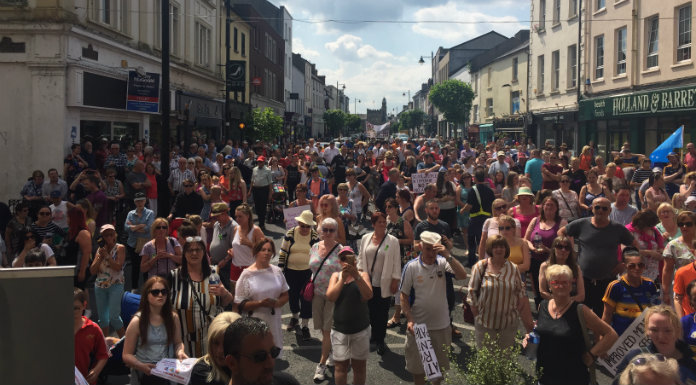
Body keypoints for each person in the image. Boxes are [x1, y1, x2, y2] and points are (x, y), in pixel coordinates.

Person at [531, 264, 618, 385]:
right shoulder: (543, 306)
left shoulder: (580, 310)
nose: (560, 285)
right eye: (556, 282)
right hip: (544, 375)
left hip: (573, 376)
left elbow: (611, 334)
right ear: (550, 285)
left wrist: (592, 354)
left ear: (571, 285)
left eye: (565, 282)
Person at [400, 231, 467, 385]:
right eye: (428, 249)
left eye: (434, 250)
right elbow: (403, 295)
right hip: (420, 328)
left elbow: (462, 275)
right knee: (419, 373)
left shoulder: (443, 263)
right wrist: (410, 319)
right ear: (421, 247)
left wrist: (448, 255)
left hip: (441, 327)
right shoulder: (411, 267)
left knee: (437, 375)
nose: (431, 253)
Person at [559, 197, 638, 317]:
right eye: (597, 207)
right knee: (580, 314)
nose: (600, 210)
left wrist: (624, 264)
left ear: (610, 211)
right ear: (592, 208)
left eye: (604, 208)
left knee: (603, 316)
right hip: (583, 279)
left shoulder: (617, 228)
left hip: (607, 280)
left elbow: (634, 246)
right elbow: (561, 232)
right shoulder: (582, 223)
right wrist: (570, 251)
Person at [169, 238, 234, 357]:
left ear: (204, 252)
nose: (194, 253)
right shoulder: (174, 277)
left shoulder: (215, 272)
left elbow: (227, 302)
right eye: (190, 250)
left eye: (198, 249)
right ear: (184, 253)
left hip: (212, 343)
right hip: (184, 347)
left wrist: (224, 293)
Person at [468, 235, 533, 349]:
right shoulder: (480, 267)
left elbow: (521, 293)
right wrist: (477, 316)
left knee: (504, 359)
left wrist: (515, 315)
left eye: (502, 246)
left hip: (507, 325)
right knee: (485, 361)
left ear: (506, 249)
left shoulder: (513, 268)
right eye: (495, 247)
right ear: (490, 249)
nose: (499, 249)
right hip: (484, 323)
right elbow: (472, 293)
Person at [123, 277, 188, 385]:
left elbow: (178, 342)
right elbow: (126, 355)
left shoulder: (173, 317)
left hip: (166, 373)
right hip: (144, 375)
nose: (160, 295)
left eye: (164, 292)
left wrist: (180, 352)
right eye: (155, 292)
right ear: (146, 295)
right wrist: (141, 366)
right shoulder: (137, 321)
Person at [613, 305, 696, 385]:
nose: (661, 336)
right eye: (654, 330)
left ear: (678, 330)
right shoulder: (634, 358)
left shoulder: (691, 364)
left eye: (667, 330)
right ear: (647, 330)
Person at [326, 246, 373, 385]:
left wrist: (357, 276)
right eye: (343, 258)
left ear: (355, 260)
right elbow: (330, 297)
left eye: (350, 258)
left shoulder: (363, 275)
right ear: (339, 261)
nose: (346, 261)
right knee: (340, 367)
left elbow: (368, 295)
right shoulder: (336, 276)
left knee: (359, 368)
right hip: (340, 330)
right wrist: (343, 279)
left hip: (360, 329)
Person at [356, 212, 401, 356]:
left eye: (384, 222)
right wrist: (360, 276)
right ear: (373, 224)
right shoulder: (365, 238)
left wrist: (395, 279)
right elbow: (361, 259)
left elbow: (396, 262)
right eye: (379, 222)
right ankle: (373, 335)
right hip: (368, 282)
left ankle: (381, 340)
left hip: (384, 282)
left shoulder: (392, 241)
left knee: (382, 313)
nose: (382, 224)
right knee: (370, 311)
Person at [235, 238, 290, 351]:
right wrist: (260, 303)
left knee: (273, 355)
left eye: (269, 250)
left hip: (274, 322)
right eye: (263, 249)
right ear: (256, 252)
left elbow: (285, 294)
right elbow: (239, 303)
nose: (266, 253)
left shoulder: (277, 271)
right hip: (254, 323)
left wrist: (278, 302)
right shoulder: (247, 274)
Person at [310, 217, 344, 383]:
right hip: (317, 293)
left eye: (332, 230)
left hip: (333, 295)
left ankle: (321, 365)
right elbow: (312, 267)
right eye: (325, 230)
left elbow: (348, 270)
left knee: (326, 331)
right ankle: (330, 352)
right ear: (320, 231)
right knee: (321, 328)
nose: (328, 233)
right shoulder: (315, 247)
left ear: (336, 232)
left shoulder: (342, 250)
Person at [278, 210, 319, 340]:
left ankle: (305, 325)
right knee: (292, 295)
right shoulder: (290, 233)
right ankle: (295, 317)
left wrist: (316, 273)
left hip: (307, 272)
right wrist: (280, 271)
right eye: (303, 225)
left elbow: (317, 255)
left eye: (308, 226)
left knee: (306, 297)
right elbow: (283, 252)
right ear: (299, 223)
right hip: (291, 271)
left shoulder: (314, 236)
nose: (305, 228)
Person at [222, 317, 300, 385]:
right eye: (260, 357)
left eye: (274, 352)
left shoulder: (287, 382)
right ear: (232, 363)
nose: (270, 364)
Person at [90, 224, 127, 338]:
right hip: (100, 285)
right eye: (106, 235)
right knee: (103, 319)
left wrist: (107, 256)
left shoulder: (120, 248)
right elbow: (92, 270)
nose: (109, 237)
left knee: (114, 316)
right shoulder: (99, 251)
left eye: (111, 234)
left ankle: (125, 343)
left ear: (115, 235)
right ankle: (104, 345)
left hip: (115, 284)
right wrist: (101, 256)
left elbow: (117, 267)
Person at [189, 312, 242, 385]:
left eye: (226, 344)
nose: (220, 351)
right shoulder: (201, 372)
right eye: (216, 343)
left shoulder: (249, 366)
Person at [74, 288, 108, 385]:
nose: (72, 312)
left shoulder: (93, 329)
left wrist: (96, 371)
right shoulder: (57, 328)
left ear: (84, 305)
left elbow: (104, 355)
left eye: (76, 308)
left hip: (86, 380)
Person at [663, 211, 696, 305]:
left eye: (688, 224)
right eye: (681, 224)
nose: (684, 227)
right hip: (682, 289)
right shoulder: (672, 245)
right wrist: (665, 293)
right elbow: (667, 270)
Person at [464, 168, 495, 266]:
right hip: (487, 218)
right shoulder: (490, 191)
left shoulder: (472, 190)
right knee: (484, 240)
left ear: (475, 178)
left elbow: (469, 206)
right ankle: (485, 259)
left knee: (472, 240)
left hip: (475, 219)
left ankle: (471, 260)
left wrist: (462, 210)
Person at [227, 203, 264, 284]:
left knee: (250, 294)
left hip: (250, 267)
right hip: (235, 266)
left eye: (240, 216)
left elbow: (265, 250)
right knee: (235, 294)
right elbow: (235, 245)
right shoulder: (235, 228)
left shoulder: (256, 230)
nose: (237, 219)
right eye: (236, 216)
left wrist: (249, 244)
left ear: (248, 216)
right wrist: (232, 251)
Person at [125, 192, 155, 291]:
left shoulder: (150, 213)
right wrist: (141, 226)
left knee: (147, 266)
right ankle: (134, 287)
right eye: (138, 201)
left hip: (146, 244)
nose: (140, 203)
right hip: (132, 243)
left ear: (145, 201)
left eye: (141, 200)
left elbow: (149, 227)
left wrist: (134, 227)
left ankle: (147, 287)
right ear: (135, 202)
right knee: (135, 266)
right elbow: (126, 227)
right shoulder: (130, 213)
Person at [626, 210, 664, 282]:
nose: (651, 227)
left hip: (652, 275)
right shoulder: (629, 232)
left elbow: (660, 247)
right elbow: (627, 252)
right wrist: (649, 252)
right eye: (649, 225)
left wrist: (661, 253)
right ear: (642, 223)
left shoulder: (654, 231)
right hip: (634, 274)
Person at [208, 202, 237, 291]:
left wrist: (225, 260)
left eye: (217, 216)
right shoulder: (217, 224)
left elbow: (235, 248)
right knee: (216, 287)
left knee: (226, 288)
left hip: (226, 264)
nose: (215, 218)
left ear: (224, 214)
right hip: (215, 263)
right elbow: (219, 238)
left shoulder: (234, 227)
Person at [64, 206, 92, 290]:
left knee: (79, 292)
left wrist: (82, 272)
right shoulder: (71, 232)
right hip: (70, 268)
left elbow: (86, 252)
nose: (67, 219)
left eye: (68, 217)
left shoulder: (83, 233)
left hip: (78, 269)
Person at [249, 156, 273, 229]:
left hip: (264, 190)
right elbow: (252, 181)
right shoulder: (254, 169)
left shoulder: (268, 170)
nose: (259, 163)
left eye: (261, 162)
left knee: (263, 207)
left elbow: (270, 183)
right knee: (257, 206)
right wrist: (250, 191)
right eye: (258, 161)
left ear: (264, 162)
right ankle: (260, 220)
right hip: (256, 189)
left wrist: (270, 193)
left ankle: (262, 223)